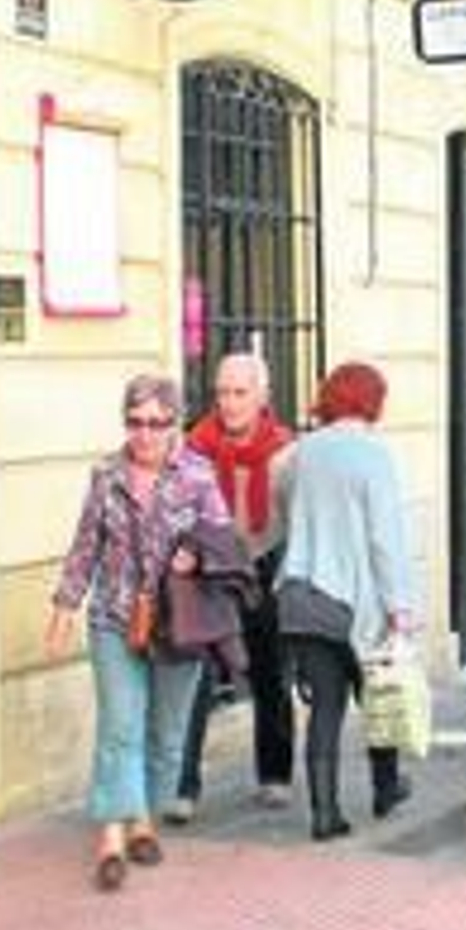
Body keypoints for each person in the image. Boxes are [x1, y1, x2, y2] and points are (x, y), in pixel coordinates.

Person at [43, 374, 234, 893]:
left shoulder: (197, 475)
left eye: (156, 423)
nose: (144, 434)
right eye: (134, 422)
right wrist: (64, 605)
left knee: (168, 736)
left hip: (179, 624)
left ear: (175, 424)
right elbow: (86, 543)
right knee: (120, 726)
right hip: (114, 617)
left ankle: (144, 819)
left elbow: (225, 542)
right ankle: (111, 835)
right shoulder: (106, 475)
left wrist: (197, 554)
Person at [275, 361, 415, 841]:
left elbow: (282, 502)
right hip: (355, 601)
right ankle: (386, 788)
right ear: (373, 401)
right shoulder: (373, 455)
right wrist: (400, 607)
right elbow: (385, 538)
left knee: (326, 708)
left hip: (300, 594)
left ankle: (325, 813)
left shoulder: (299, 452)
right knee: (379, 695)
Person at [170, 352, 297, 823]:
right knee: (196, 679)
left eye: (239, 392)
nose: (228, 402)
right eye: (222, 392)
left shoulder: (286, 451)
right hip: (208, 572)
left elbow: (297, 518)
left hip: (264, 567)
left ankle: (275, 775)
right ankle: (182, 787)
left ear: (262, 396)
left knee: (269, 674)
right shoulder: (193, 450)